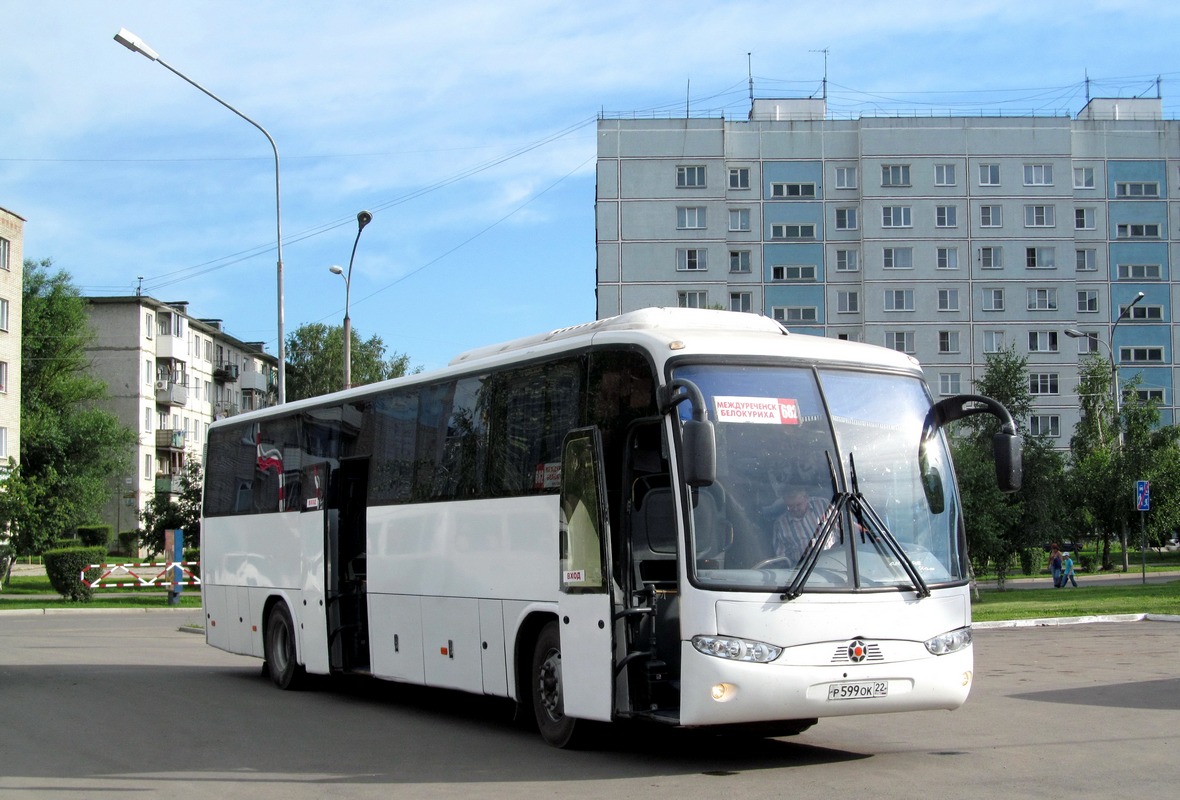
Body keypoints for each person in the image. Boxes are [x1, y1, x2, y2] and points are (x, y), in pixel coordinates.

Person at [772, 485, 834, 565]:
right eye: (790, 506)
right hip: (802, 570)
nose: (795, 509)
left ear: (806, 498)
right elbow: (781, 557)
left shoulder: (822, 505)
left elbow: (841, 528)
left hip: (832, 559)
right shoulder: (780, 525)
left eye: (798, 505)